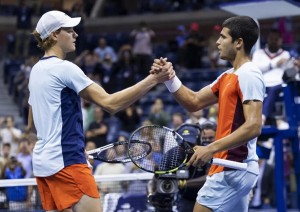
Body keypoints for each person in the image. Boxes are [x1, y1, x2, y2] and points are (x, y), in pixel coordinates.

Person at [27, 10, 174, 212]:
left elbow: (31, 124)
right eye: (69, 30)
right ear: (54, 35)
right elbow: (110, 104)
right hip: (67, 162)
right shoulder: (65, 68)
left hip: (43, 166)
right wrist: (154, 80)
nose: (75, 34)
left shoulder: (35, 71)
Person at [153, 16, 265, 212]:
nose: (217, 42)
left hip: (231, 169)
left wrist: (211, 148)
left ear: (239, 43)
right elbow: (194, 102)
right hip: (234, 168)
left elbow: (254, 125)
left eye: (223, 37)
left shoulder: (249, 74)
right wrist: (169, 78)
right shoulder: (228, 76)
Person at [252, 29, 290, 128]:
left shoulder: (286, 54)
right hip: (262, 84)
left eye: (276, 39)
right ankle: (278, 120)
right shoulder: (258, 53)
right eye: (271, 39)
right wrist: (274, 64)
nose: (273, 41)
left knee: (274, 90)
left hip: (279, 84)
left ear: (280, 40)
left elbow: (289, 73)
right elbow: (256, 69)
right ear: (267, 39)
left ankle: (263, 118)